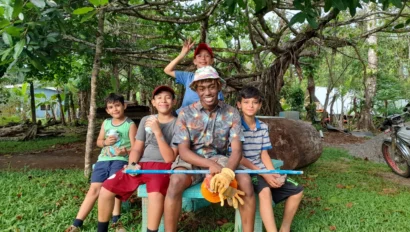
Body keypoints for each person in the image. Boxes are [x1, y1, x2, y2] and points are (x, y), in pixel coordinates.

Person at [164, 66, 256, 232]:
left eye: (211, 87)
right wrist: (208, 165)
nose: (207, 92)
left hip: (220, 159)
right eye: (202, 88)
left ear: (218, 87)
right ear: (196, 90)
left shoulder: (232, 113)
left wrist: (227, 172)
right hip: (191, 160)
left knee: (246, 182)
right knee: (175, 181)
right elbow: (183, 151)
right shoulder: (185, 114)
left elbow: (236, 150)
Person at [97, 86, 178, 232]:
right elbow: (137, 148)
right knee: (105, 189)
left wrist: (157, 131)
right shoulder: (146, 120)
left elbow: (169, 158)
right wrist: (132, 164)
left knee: (155, 195)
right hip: (140, 164)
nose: (163, 101)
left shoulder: (178, 123)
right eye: (159, 98)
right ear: (153, 102)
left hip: (162, 166)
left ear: (174, 101)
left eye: (167, 97)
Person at [65, 93, 137, 232]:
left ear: (124, 106)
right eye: (111, 107)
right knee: (94, 189)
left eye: (117, 105)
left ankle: (116, 220)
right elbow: (98, 142)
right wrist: (105, 142)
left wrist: (125, 151)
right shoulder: (106, 123)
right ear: (107, 110)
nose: (115, 109)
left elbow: (135, 148)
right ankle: (77, 223)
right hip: (103, 160)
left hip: (120, 160)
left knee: (112, 189)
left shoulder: (130, 124)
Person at [237, 86, 304, 232]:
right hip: (246, 171)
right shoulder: (236, 127)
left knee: (297, 190)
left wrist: (273, 172)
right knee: (265, 191)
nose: (250, 106)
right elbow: (239, 158)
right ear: (239, 104)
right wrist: (263, 173)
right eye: (246, 102)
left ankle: (284, 228)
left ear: (260, 105)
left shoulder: (263, 127)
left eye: (255, 102)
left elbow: (264, 154)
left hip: (261, 168)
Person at [163, 38, 224, 113]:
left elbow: (218, 107)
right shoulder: (188, 76)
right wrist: (182, 54)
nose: (203, 58)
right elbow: (167, 70)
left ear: (212, 61)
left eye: (207, 56)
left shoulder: (216, 80)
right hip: (182, 116)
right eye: (199, 56)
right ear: (194, 61)